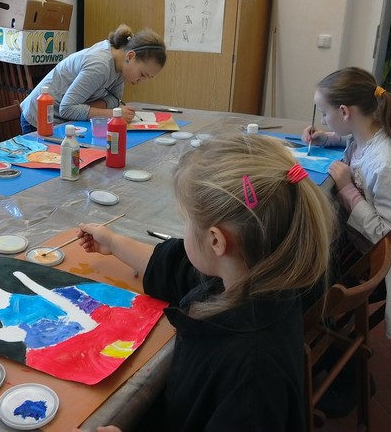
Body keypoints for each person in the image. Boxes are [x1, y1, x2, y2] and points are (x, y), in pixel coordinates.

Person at [74, 133, 335, 432]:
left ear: (215, 241)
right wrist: (113, 242)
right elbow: (173, 267)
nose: (183, 230)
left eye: (185, 221)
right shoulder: (253, 273)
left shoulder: (252, 379)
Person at [302, 66, 391, 341]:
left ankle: (317, 327)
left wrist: (347, 190)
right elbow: (352, 141)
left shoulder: (386, 166)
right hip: (364, 240)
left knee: (312, 267)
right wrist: (327, 138)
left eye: (324, 114)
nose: (323, 119)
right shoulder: (371, 133)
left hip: (384, 257)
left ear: (345, 112)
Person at [19, 24, 166, 133]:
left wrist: (86, 107)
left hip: (63, 120)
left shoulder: (121, 65)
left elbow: (114, 100)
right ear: (130, 56)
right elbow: (67, 109)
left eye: (148, 77)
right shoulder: (100, 65)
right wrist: (114, 114)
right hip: (39, 120)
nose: (141, 81)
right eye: (142, 74)